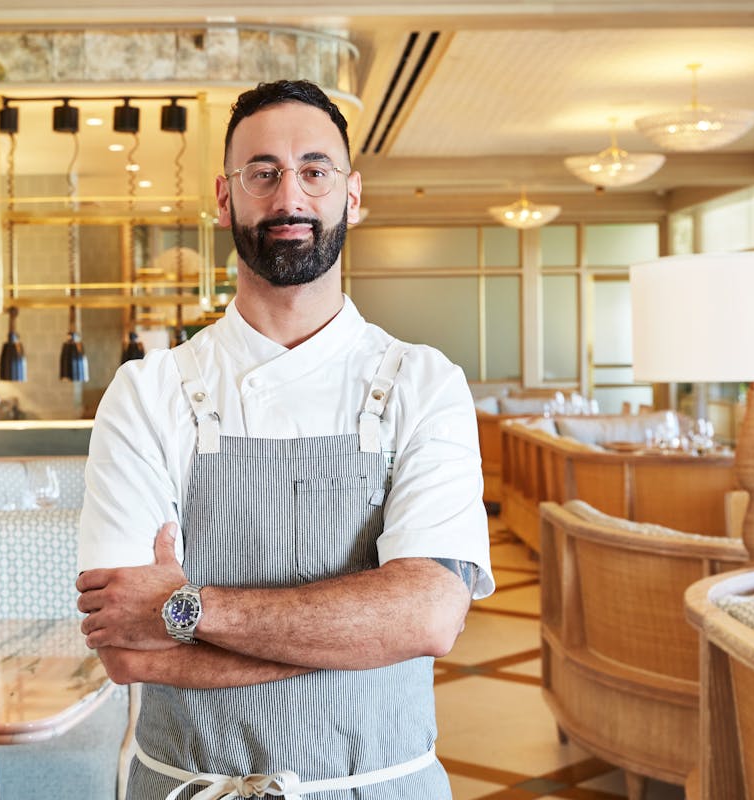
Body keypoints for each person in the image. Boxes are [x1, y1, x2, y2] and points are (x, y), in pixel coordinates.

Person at [76, 79, 494, 799]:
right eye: (262, 173)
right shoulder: (147, 393)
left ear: (351, 196)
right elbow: (128, 651)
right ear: (225, 198)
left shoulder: (425, 383)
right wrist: (362, 635)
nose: (289, 197)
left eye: (315, 170)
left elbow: (427, 615)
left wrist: (187, 609)